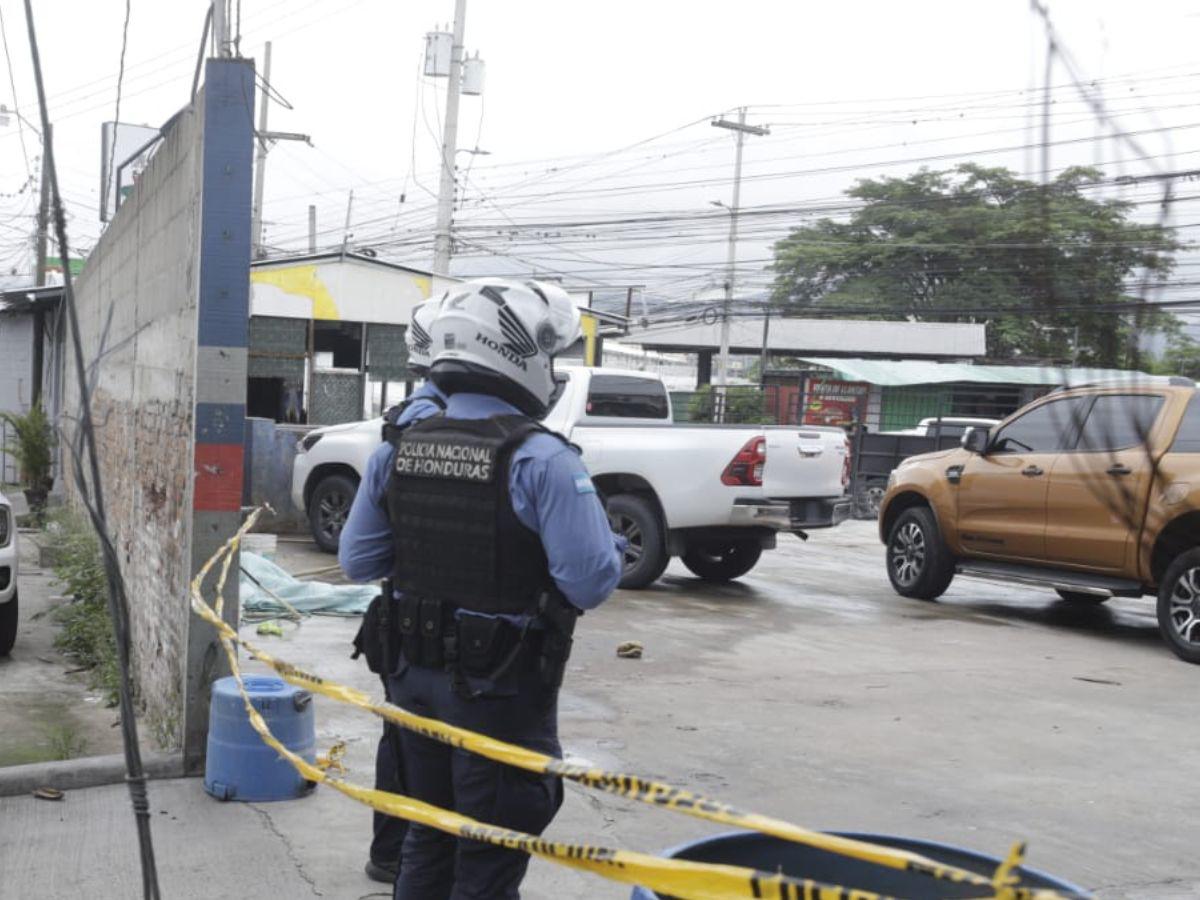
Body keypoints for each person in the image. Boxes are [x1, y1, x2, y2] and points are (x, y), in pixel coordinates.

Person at [339, 278, 623, 900]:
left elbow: (358, 560)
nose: (554, 371)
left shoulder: (398, 447)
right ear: (518, 356)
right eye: (552, 356)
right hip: (498, 689)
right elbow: (591, 581)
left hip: (412, 678)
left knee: (427, 836)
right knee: (490, 858)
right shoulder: (543, 458)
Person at [344, 297, 447, 885]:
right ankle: (406, 859)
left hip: (406, 633)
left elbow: (360, 557)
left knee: (402, 744)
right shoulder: (516, 440)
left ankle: (391, 856)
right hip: (476, 649)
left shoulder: (400, 427)